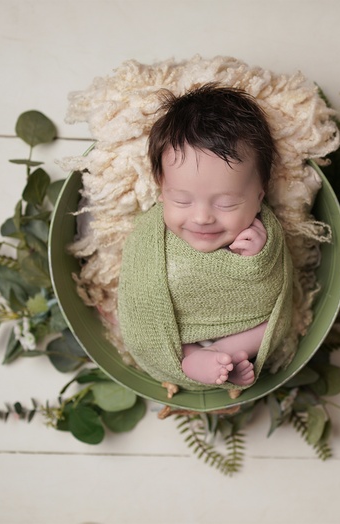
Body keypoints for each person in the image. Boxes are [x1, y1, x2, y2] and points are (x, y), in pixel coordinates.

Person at [116, 83, 293, 391]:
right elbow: (138, 292)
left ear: (259, 195)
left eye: (226, 203)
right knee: (150, 322)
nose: (201, 217)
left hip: (240, 328)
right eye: (181, 200)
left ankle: (224, 354)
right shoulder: (151, 234)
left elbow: (271, 286)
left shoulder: (259, 230)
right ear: (161, 188)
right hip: (177, 334)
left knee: (273, 326)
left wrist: (258, 256)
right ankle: (192, 359)